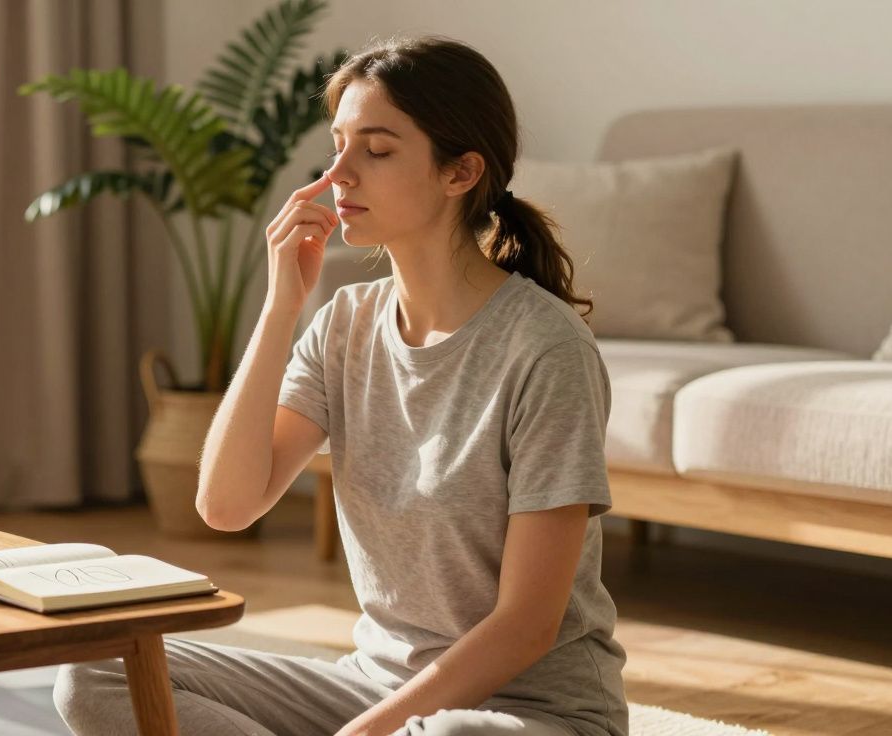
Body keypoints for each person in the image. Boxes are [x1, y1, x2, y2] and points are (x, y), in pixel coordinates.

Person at [53, 33, 628, 736]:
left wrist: (367, 734)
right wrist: (279, 308)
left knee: (447, 734)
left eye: (376, 150)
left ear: (460, 172)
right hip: (372, 688)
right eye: (338, 146)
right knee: (101, 673)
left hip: (526, 712)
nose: (337, 175)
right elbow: (227, 505)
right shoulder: (346, 322)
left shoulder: (545, 349)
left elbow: (527, 627)